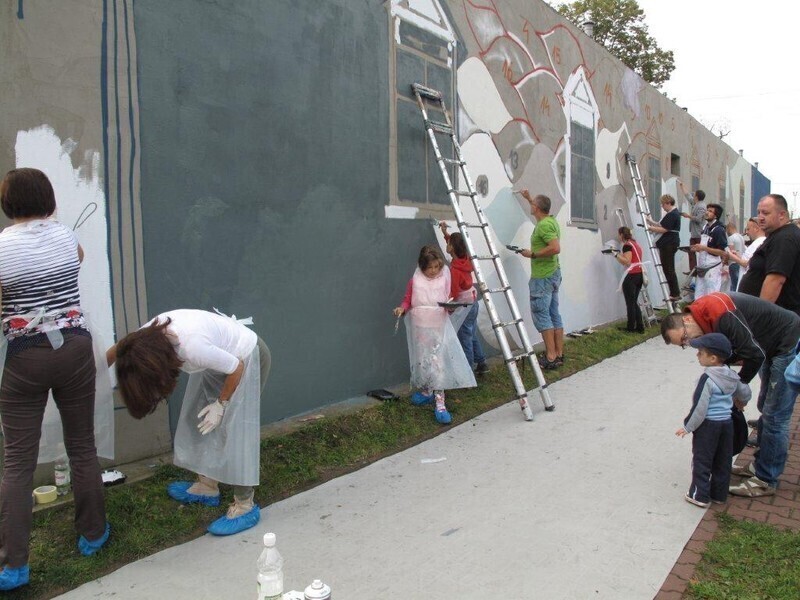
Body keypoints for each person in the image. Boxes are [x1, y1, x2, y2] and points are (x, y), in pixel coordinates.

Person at [0, 168, 109, 591]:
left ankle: (13, 565)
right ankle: (94, 532)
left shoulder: (3, 247)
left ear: (8, 205)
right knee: (82, 444)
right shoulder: (65, 236)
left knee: (17, 460)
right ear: (48, 199)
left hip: (25, 356)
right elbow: (77, 259)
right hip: (75, 347)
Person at [108, 309, 271, 535]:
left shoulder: (192, 349)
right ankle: (207, 487)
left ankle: (245, 505)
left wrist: (221, 405)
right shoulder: (142, 341)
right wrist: (90, 374)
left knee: (235, 429)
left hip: (247, 358)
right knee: (204, 420)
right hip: (222, 357)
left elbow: (237, 368)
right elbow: (118, 350)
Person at [660, 292, 800, 498]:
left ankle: (766, 479)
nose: (689, 344)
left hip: (786, 340)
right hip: (770, 345)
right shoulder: (703, 317)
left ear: (687, 320)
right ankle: (760, 465)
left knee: (775, 416)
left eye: (684, 338)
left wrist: (738, 391)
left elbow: (754, 354)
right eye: (683, 345)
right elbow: (736, 353)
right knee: (765, 407)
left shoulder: (718, 313)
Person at [394, 245, 476, 424]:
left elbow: (452, 296)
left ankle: (440, 402)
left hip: (438, 326)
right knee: (423, 361)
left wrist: (450, 307)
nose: (433, 271)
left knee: (437, 363)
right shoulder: (415, 280)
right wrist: (402, 308)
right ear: (422, 267)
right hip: (421, 328)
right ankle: (427, 391)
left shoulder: (445, 277)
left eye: (436, 267)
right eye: (429, 268)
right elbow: (408, 298)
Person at [676, 333, 751, 508]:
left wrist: (687, 426)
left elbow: (700, 407)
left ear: (712, 358)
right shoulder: (731, 375)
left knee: (702, 459)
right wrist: (741, 403)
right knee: (723, 459)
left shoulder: (707, 378)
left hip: (708, 425)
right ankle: (719, 493)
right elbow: (745, 393)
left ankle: (698, 494)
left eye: (700, 352)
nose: (697, 355)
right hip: (727, 424)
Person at [518, 190, 563, 370]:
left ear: (536, 208)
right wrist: (530, 197)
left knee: (542, 315)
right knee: (554, 315)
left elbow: (555, 248)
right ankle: (559, 354)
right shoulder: (550, 221)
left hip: (543, 278)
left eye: (532, 204)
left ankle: (550, 357)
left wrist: (533, 254)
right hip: (553, 274)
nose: (531, 206)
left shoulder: (544, 226)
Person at [737, 194, 800, 316]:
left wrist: (760, 316)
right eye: (759, 212)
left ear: (781, 215)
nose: (760, 217)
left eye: (765, 213)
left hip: (778, 319)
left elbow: (775, 280)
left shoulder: (785, 238)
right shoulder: (777, 236)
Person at [438, 222, 488, 375]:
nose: (447, 244)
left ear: (452, 248)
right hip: (473, 302)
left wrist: (449, 308)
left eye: (449, 243)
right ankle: (481, 362)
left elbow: (453, 293)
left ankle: (468, 371)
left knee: (464, 337)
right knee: (471, 334)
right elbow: (454, 244)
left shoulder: (454, 270)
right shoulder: (465, 258)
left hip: (464, 306)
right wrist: (445, 233)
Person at [646, 194, 681, 301]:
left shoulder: (672, 214)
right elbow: (661, 225)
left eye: (663, 204)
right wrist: (651, 222)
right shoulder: (671, 214)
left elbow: (664, 229)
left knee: (668, 268)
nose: (662, 206)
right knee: (668, 268)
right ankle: (674, 292)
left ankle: (675, 293)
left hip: (668, 244)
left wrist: (649, 227)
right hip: (669, 243)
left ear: (668, 203)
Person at [690, 203, 728, 298]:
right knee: (699, 295)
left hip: (712, 268)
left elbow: (722, 252)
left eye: (710, 211)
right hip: (702, 266)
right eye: (707, 210)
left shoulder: (719, 230)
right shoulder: (705, 227)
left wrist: (703, 248)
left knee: (711, 296)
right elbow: (705, 246)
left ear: (716, 215)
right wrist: (697, 248)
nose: (707, 212)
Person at [612, 227, 645, 332]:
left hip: (631, 275)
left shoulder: (627, 245)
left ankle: (630, 327)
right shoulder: (635, 244)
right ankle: (640, 327)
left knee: (630, 303)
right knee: (634, 302)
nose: (618, 237)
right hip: (639, 274)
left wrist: (616, 255)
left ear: (622, 234)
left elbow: (627, 261)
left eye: (619, 234)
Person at [727, 217, 765, 288]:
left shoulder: (760, 243)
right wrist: (738, 256)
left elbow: (749, 264)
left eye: (748, 229)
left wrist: (733, 257)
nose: (746, 232)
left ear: (756, 229)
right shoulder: (757, 243)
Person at [679, 182, 706, 271]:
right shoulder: (696, 203)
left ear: (697, 197)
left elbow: (699, 219)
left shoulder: (701, 206)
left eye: (694, 195)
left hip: (698, 234)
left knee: (700, 253)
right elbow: (688, 197)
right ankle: (693, 269)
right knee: (691, 251)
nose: (693, 196)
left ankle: (699, 269)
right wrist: (682, 187)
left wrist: (688, 216)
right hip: (694, 234)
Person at [725, 222, 745, 291]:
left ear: (729, 229)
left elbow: (731, 252)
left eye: (727, 230)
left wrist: (725, 262)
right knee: (738, 283)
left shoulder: (731, 238)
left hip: (733, 263)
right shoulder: (741, 237)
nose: (727, 232)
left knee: (734, 284)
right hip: (741, 262)